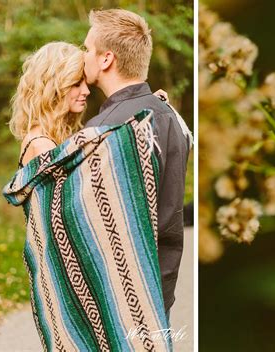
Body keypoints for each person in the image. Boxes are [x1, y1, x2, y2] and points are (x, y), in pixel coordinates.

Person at [5, 41, 175, 351]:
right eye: (75, 83)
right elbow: (84, 199)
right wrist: (137, 122)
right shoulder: (40, 145)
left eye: (84, 81)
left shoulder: (54, 140)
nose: (85, 90)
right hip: (70, 279)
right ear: (53, 87)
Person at [82, 8, 191, 322]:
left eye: (87, 48)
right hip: (162, 284)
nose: (84, 56)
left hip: (122, 299)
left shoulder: (105, 129)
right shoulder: (171, 116)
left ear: (106, 59)